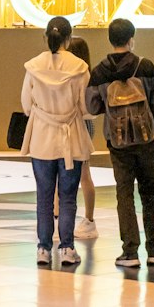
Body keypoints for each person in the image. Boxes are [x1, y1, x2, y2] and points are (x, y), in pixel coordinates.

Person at [86, 16, 154, 271]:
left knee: (124, 194)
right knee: (149, 192)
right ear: (131, 39)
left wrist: (109, 108)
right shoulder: (146, 66)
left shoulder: (100, 71)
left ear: (111, 40)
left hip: (118, 142)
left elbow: (90, 105)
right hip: (146, 141)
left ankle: (129, 252)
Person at [20, 15, 93, 270]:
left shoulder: (33, 66)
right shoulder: (80, 67)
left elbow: (26, 105)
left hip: (41, 139)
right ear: (69, 38)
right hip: (71, 139)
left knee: (44, 196)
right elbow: (86, 108)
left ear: (46, 37)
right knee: (68, 197)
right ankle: (67, 248)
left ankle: (43, 247)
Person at [67, 35, 98, 241]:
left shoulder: (80, 75)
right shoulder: (87, 74)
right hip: (78, 125)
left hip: (77, 125)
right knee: (79, 173)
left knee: (80, 173)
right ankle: (85, 220)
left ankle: (88, 220)